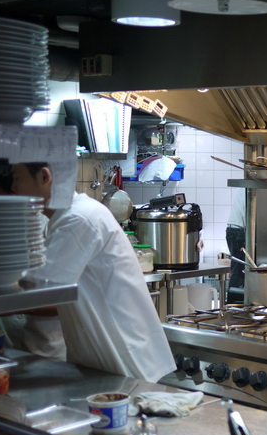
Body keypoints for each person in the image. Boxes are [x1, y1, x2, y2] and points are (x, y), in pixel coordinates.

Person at [11, 162, 175, 382]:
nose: (13, 187)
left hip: (126, 363)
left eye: (17, 178)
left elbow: (37, 290)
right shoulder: (70, 216)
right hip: (105, 361)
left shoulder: (79, 219)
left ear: (44, 177)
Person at [0, 161, 67, 360]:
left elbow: (65, 302)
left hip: (50, 351)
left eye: (2, 201)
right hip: (9, 346)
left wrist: (3, 305)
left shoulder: (52, 228)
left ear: (17, 189)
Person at [225, 187, 246, 304]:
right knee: (240, 273)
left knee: (238, 270)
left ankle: (234, 308)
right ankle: (235, 309)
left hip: (233, 230)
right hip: (239, 231)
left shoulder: (245, 186)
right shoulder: (253, 187)